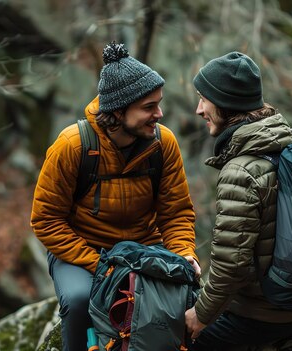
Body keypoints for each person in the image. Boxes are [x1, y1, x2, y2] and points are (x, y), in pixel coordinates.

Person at [30, 42, 200, 351]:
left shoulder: (164, 145)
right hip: (82, 254)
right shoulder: (72, 146)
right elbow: (46, 221)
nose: (159, 114)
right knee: (80, 300)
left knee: (181, 298)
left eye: (158, 104)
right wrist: (101, 267)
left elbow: (176, 213)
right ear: (119, 111)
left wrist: (184, 253)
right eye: (149, 107)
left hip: (142, 250)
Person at [184, 52, 292, 350]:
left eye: (204, 99)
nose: (198, 109)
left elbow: (232, 266)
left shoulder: (241, 170)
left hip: (260, 316)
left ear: (225, 103)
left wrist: (199, 316)